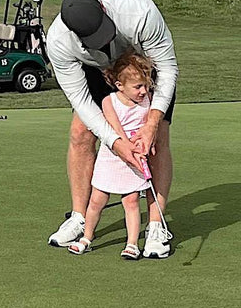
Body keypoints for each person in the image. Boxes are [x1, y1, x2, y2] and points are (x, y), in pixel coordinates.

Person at [46, 0, 177, 258]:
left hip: (139, 67)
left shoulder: (139, 12)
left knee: (157, 138)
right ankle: (79, 217)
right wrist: (116, 142)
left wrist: (151, 122)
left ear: (105, 11)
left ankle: (156, 226)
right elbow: (82, 101)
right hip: (93, 68)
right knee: (80, 133)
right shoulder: (59, 42)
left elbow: (167, 68)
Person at [68, 51, 169, 259]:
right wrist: (127, 147)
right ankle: (87, 237)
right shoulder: (109, 101)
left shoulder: (147, 101)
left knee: (131, 201)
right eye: (138, 87)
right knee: (96, 200)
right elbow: (115, 131)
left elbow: (148, 127)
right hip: (112, 156)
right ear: (119, 85)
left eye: (145, 85)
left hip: (134, 159)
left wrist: (142, 146)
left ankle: (132, 243)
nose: (144, 91)